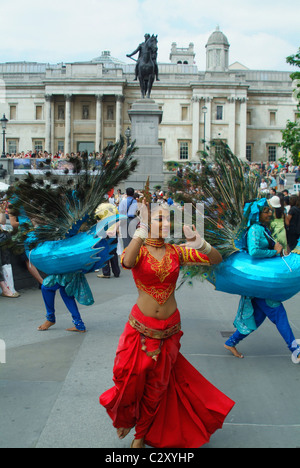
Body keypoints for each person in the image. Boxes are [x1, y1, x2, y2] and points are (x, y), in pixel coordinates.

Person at [100, 203, 235, 449]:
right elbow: (127, 263)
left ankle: (140, 435)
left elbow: (215, 259)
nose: (165, 225)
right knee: (130, 378)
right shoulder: (138, 250)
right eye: (159, 220)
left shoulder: (176, 252)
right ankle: (127, 418)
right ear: (146, 223)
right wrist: (139, 235)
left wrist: (198, 241)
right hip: (140, 328)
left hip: (169, 330)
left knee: (157, 386)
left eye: (167, 220)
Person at [224, 199, 300, 361]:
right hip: (259, 279)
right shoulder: (255, 229)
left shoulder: (262, 228)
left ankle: (231, 342)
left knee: (257, 318)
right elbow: (253, 251)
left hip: (261, 280)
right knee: (278, 314)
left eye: (269, 210)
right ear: (257, 214)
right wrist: (274, 252)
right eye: (266, 211)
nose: (270, 213)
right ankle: (295, 350)